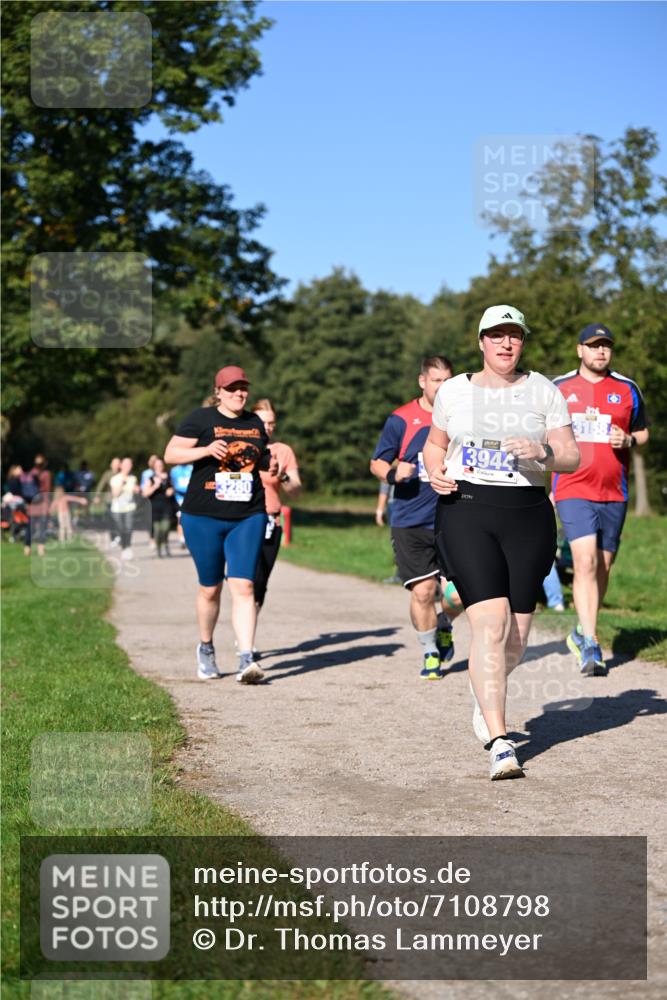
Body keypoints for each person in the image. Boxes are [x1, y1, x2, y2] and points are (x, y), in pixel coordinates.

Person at [423, 304, 579, 780]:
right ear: (481, 342)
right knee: (489, 625)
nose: (506, 343)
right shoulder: (454, 390)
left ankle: (483, 688)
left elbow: (571, 456)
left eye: (514, 335)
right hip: (466, 510)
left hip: (527, 514)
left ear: (522, 342)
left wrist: (542, 451)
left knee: (516, 639)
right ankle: (499, 740)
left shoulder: (543, 390)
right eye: (497, 335)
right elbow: (435, 444)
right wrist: (433, 470)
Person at [164, 365, 278, 683]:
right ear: (218, 392)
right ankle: (206, 648)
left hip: (248, 515)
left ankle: (246, 659)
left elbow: (259, 458)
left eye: (243, 388)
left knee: (244, 586)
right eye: (231, 388)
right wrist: (205, 449)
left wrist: (272, 465)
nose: (239, 393)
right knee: (210, 588)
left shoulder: (254, 422)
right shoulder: (200, 419)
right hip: (203, 516)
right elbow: (171, 454)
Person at [552, 323, 649, 675]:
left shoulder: (627, 388)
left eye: (606, 345)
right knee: (585, 562)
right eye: (593, 346)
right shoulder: (559, 388)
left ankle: (581, 630)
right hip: (572, 488)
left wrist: (630, 440)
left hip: (614, 491)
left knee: (602, 567)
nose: (600, 351)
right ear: (580, 350)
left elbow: (643, 431)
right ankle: (591, 644)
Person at [371, 356, 464, 680]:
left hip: (454, 517)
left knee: (458, 593)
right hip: (410, 519)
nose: (443, 387)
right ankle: (429, 652)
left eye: (448, 380)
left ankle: (444, 623)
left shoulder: (463, 417)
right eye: (437, 380)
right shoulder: (401, 419)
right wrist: (394, 473)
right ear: (422, 381)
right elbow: (377, 463)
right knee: (423, 592)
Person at [251, 399, 301, 616]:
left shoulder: (282, 451)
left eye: (271, 423)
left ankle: (248, 627)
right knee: (245, 581)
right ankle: (244, 632)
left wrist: (283, 476)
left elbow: (296, 490)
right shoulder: (240, 448)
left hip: (270, 521)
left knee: (260, 582)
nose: (268, 427)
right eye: (263, 422)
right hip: (242, 520)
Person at [142, 457, 177, 557]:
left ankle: (165, 543)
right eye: (157, 465)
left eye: (161, 465)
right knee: (157, 530)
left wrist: (172, 491)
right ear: (154, 466)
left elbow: (173, 487)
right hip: (155, 507)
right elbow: (145, 493)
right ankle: (158, 548)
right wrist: (155, 486)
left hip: (167, 505)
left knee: (166, 527)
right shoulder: (151, 478)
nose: (159, 467)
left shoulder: (168, 477)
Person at [109, 457, 140, 559]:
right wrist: (122, 484)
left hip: (130, 507)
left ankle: (127, 548)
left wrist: (137, 489)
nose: (128, 467)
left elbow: (138, 491)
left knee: (129, 528)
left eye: (130, 465)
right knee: (121, 529)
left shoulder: (133, 478)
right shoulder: (115, 478)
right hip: (117, 508)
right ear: (121, 466)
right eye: (126, 465)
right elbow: (115, 494)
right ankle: (123, 547)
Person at [25, 454, 53, 558]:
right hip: (42, 504)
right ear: (44, 463)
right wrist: (48, 505)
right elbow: (47, 490)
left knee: (30, 528)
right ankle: (41, 549)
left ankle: (27, 548)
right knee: (42, 527)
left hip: (31, 504)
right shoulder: (46, 474)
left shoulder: (30, 473)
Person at [95, 457, 121, 545]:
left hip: (121, 500)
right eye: (115, 463)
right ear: (111, 465)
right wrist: (97, 496)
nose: (116, 465)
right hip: (110, 500)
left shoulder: (122, 473)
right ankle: (113, 537)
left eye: (118, 463)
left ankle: (120, 536)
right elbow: (101, 484)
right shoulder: (108, 474)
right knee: (111, 519)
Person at [169, 461, 193, 549]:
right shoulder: (174, 470)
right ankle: (182, 539)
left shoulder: (191, 468)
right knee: (180, 518)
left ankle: (190, 538)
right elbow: (173, 484)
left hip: (191, 497)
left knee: (191, 519)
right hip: (180, 498)